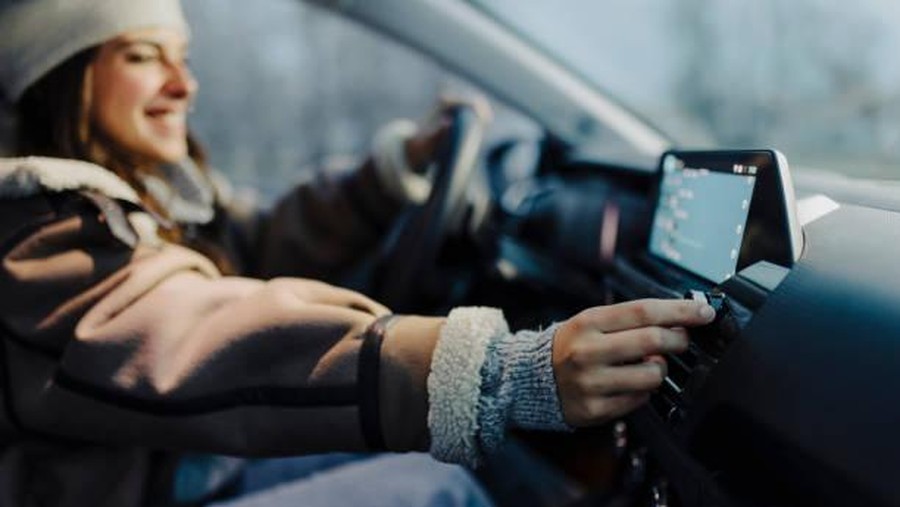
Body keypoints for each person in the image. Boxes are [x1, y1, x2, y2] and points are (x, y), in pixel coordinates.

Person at [0, 1, 716, 506]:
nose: (184, 86)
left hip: (164, 466)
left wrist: (386, 177)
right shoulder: (38, 229)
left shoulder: (138, 198)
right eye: (141, 56)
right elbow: (197, 337)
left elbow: (250, 245)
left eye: (182, 58)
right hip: (138, 485)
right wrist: (500, 371)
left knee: (409, 455)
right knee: (439, 487)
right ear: (58, 74)